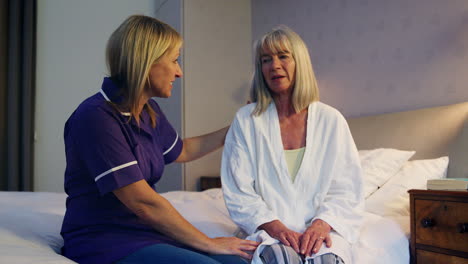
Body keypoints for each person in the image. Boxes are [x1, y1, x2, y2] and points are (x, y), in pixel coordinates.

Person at [60, 15, 258, 264]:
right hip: (106, 239)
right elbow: (143, 202)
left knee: (239, 262)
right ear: (146, 62)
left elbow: (183, 150)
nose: (179, 72)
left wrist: (239, 126)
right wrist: (208, 243)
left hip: (147, 232)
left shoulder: (146, 110)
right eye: (175, 61)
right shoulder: (96, 117)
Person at [221, 26, 364, 264]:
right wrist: (278, 229)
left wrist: (320, 225)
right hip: (268, 229)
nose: (274, 65)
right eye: (266, 60)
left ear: (300, 63)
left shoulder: (331, 120)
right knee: (281, 258)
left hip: (322, 230)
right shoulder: (246, 120)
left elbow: (347, 189)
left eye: (283, 56)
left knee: (326, 260)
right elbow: (239, 192)